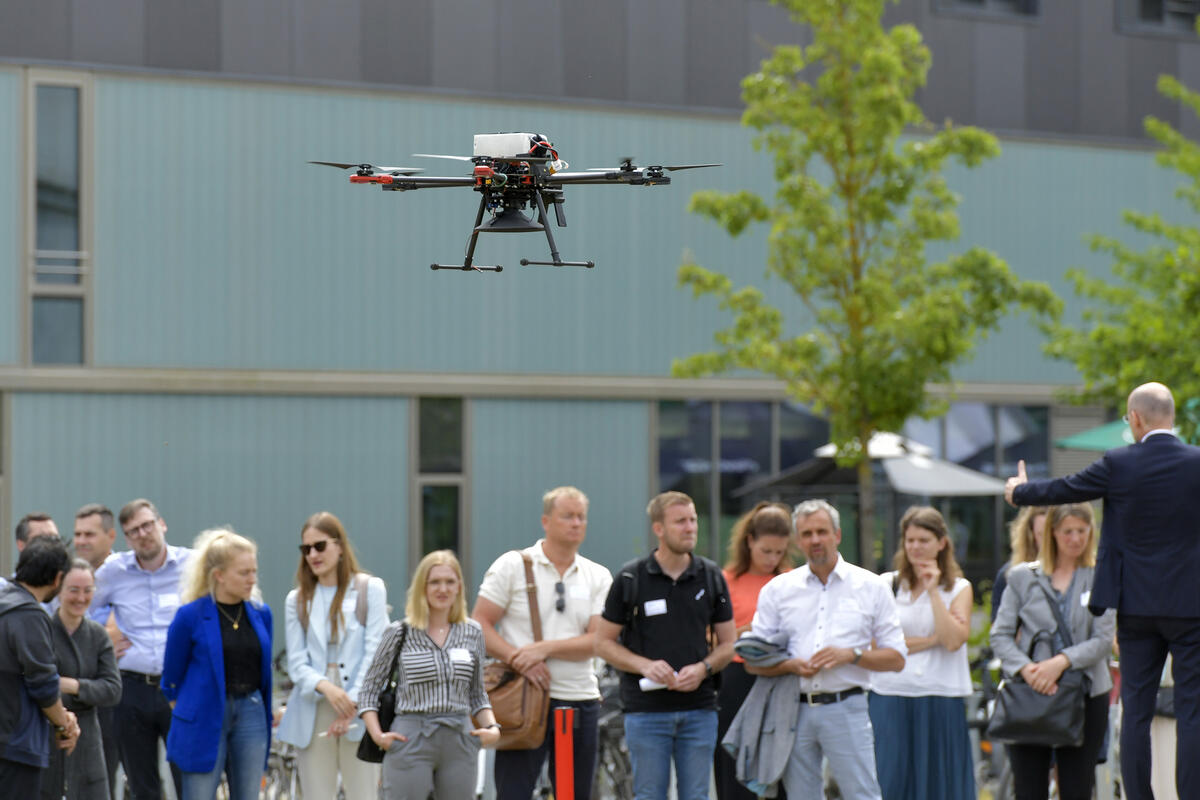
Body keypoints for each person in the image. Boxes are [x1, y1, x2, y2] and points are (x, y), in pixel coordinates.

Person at [1005, 381, 1200, 800]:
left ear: (1134, 419)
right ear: (1173, 418)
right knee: (1193, 712)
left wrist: (1020, 491)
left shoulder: (1118, 463)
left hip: (1134, 607)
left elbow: (1065, 489)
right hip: (1190, 607)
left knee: (1134, 713)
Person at [745, 499, 906, 800]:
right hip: (792, 710)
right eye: (806, 534)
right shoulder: (778, 590)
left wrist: (852, 655)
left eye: (821, 531)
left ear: (837, 535)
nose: (815, 540)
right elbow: (753, 661)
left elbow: (897, 658)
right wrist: (790, 666)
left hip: (847, 707)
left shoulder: (870, 586)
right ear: (797, 540)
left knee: (863, 795)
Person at [472, 486, 614, 800]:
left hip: (580, 697)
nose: (576, 523)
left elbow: (599, 639)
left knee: (574, 795)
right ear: (545, 521)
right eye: (567, 516)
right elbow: (479, 623)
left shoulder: (598, 575)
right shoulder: (513, 565)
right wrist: (517, 658)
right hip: (522, 700)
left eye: (581, 517)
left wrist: (544, 649)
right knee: (514, 793)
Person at [595, 491, 736, 800]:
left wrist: (704, 668)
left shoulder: (710, 576)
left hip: (699, 710)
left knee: (696, 796)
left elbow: (728, 644)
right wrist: (644, 665)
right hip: (646, 713)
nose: (690, 528)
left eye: (693, 520)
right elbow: (602, 642)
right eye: (680, 521)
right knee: (649, 796)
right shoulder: (632, 577)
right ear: (658, 528)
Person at [990, 502, 1115, 800]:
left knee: (1077, 786)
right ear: (1052, 533)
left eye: (1082, 531)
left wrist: (1059, 663)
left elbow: (1102, 639)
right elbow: (1001, 635)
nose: (1075, 539)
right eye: (1067, 531)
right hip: (1031, 692)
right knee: (1029, 787)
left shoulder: (1100, 576)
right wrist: (1027, 669)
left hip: (1085, 693)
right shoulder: (1022, 577)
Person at [360, 549, 500, 800]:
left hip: (460, 738)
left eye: (449, 581)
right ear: (421, 587)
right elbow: (369, 691)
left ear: (459, 586)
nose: (442, 589)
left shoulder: (473, 632)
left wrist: (492, 727)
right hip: (410, 736)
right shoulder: (399, 632)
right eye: (434, 582)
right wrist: (379, 736)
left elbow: (477, 694)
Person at [277, 511, 388, 798]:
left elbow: (377, 651)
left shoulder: (369, 589)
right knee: (316, 794)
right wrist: (328, 688)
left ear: (339, 546)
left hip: (361, 705)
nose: (313, 554)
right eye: (306, 549)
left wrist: (351, 700)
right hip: (314, 704)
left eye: (320, 546)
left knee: (363, 792)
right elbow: (297, 663)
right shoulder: (297, 599)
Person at [868, 506, 973, 800]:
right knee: (890, 781)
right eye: (910, 540)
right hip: (890, 693)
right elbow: (875, 646)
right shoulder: (885, 584)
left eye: (923, 540)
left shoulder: (959, 588)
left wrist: (932, 591)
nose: (915, 547)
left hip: (940, 695)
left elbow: (953, 641)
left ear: (942, 543)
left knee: (941, 784)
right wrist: (930, 640)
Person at [89, 498, 191, 800]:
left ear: (162, 524)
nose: (143, 533)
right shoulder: (113, 572)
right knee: (141, 782)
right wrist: (101, 642)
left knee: (189, 777)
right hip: (132, 688)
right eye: (134, 531)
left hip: (181, 688)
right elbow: (78, 607)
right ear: (126, 538)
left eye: (147, 525)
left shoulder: (193, 564)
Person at [161, 528, 272, 800]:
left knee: (248, 794)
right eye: (243, 573)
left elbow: (264, 670)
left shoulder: (260, 614)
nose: (252, 579)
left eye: (254, 571)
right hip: (204, 715)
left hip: (251, 713)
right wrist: (192, 709)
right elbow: (171, 679)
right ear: (219, 575)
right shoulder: (190, 616)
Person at [714, 501, 792, 800]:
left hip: (779, 676)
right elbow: (711, 638)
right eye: (766, 551)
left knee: (783, 762)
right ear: (750, 542)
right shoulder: (725, 580)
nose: (772, 559)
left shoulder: (790, 580)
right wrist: (749, 631)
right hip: (736, 676)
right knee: (732, 764)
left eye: (779, 552)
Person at [0, 537, 81, 795]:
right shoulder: (28, 615)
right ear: (58, 579)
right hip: (14, 744)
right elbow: (43, 683)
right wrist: (63, 723)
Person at [42, 559, 122, 800]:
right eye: (73, 590)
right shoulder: (42, 630)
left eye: (88, 590)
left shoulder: (98, 635)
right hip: (49, 731)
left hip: (88, 735)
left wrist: (72, 685)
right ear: (59, 590)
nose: (81, 598)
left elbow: (113, 690)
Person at [71, 503, 122, 798]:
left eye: (89, 534)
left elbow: (119, 636)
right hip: (73, 697)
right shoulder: (69, 575)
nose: (81, 541)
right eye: (77, 533)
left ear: (110, 535)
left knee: (106, 776)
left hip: (111, 696)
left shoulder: (126, 576)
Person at [991, 505, 1048, 622]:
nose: (1049, 542)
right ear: (1031, 536)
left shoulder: (1080, 572)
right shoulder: (1010, 574)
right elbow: (999, 632)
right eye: (1042, 534)